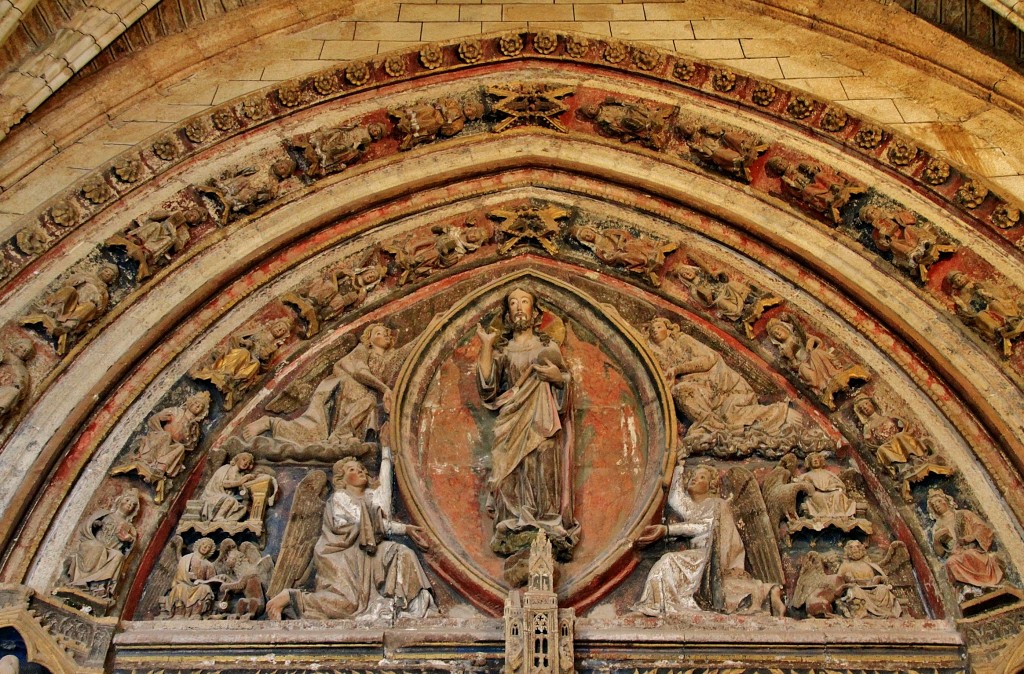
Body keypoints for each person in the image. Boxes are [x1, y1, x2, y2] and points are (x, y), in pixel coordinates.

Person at [265, 449, 434, 621]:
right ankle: (291, 598)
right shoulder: (340, 498)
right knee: (347, 604)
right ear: (341, 479)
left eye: (361, 468)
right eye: (352, 470)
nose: (360, 471)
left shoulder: (370, 496)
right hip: (341, 556)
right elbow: (365, 524)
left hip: (368, 552)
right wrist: (404, 529)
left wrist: (386, 456)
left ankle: (416, 608)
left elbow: (384, 498)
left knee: (403, 553)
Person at [476, 287, 579, 558]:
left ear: (535, 312)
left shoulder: (548, 347)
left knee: (542, 461)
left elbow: (566, 385)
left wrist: (559, 378)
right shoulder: (503, 350)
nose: (519, 307)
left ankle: (545, 520)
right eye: (513, 303)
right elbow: (488, 387)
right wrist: (487, 346)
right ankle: (514, 520)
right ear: (508, 313)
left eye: (524, 302)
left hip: (543, 417)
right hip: (511, 419)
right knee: (506, 471)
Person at [634, 465, 784, 616]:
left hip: (712, 556)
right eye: (693, 475)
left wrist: (668, 530)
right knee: (667, 563)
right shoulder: (694, 508)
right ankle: (656, 605)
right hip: (699, 557)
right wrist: (678, 465)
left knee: (667, 561)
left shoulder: (718, 504)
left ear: (711, 485)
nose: (695, 478)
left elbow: (704, 526)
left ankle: (655, 607)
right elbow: (675, 498)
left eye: (702, 477)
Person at [242, 323, 396, 449]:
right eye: (378, 333)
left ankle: (342, 434)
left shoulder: (387, 357)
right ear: (368, 339)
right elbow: (360, 373)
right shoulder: (361, 350)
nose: (385, 336)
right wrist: (384, 389)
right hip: (340, 389)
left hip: (357, 394)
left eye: (386, 333)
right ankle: (269, 423)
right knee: (311, 432)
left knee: (368, 401)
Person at [111, 392, 210, 503]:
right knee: (166, 436)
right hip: (160, 437)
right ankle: (148, 458)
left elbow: (191, 445)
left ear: (202, 412)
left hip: (173, 446)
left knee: (180, 448)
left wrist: (190, 437)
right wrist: (160, 418)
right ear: (190, 402)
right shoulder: (176, 411)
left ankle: (160, 467)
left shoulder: (194, 426)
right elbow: (155, 419)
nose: (197, 406)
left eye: (200, 407)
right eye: (196, 403)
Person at [927, 489, 1003, 598]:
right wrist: (936, 541)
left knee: (970, 554)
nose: (937, 506)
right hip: (955, 554)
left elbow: (982, 528)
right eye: (933, 505)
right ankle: (967, 589)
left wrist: (972, 537)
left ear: (946, 501)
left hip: (971, 549)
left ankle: (985, 584)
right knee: (950, 562)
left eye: (938, 501)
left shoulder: (963, 514)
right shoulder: (937, 527)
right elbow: (941, 553)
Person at [64, 489, 139, 598]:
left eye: (133, 504)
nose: (129, 505)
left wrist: (129, 539)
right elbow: (86, 527)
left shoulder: (130, 528)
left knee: (118, 556)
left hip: (110, 551)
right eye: (127, 501)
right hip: (93, 544)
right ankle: (81, 581)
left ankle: (98, 586)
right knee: (98, 547)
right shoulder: (105, 514)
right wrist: (95, 524)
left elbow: (129, 552)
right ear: (120, 501)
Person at [199, 452, 274, 522]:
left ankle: (229, 521)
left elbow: (241, 492)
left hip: (227, 498)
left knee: (243, 509)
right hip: (214, 495)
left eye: (248, 463)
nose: (245, 464)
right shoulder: (226, 468)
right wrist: (240, 482)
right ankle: (218, 518)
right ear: (237, 459)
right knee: (230, 500)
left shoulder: (240, 476)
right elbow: (222, 483)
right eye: (244, 460)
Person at [835, 540, 902, 618]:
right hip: (856, 588)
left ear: (862, 549)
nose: (855, 549)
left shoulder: (871, 565)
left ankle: (884, 612)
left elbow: (885, 579)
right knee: (855, 591)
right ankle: (862, 613)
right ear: (848, 551)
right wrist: (847, 581)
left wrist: (879, 578)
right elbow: (837, 582)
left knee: (883, 589)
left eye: (857, 547)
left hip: (872, 588)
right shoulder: (845, 566)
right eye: (851, 548)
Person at [165, 537, 218, 618]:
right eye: (204, 544)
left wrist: (201, 581)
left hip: (199, 586)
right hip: (185, 583)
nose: (205, 547)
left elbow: (212, 581)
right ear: (199, 545)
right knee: (180, 588)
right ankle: (179, 613)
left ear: (210, 551)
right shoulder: (186, 558)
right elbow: (178, 575)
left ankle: (196, 613)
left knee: (205, 588)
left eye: (208, 547)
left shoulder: (208, 565)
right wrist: (187, 576)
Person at [794, 452, 857, 520]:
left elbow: (838, 484)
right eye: (813, 459)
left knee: (838, 494)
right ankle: (822, 515)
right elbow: (799, 485)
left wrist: (832, 487)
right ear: (809, 462)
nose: (815, 460)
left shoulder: (828, 474)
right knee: (816, 495)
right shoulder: (806, 475)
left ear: (821, 461)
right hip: (816, 493)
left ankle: (839, 515)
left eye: (817, 459)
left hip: (831, 492)